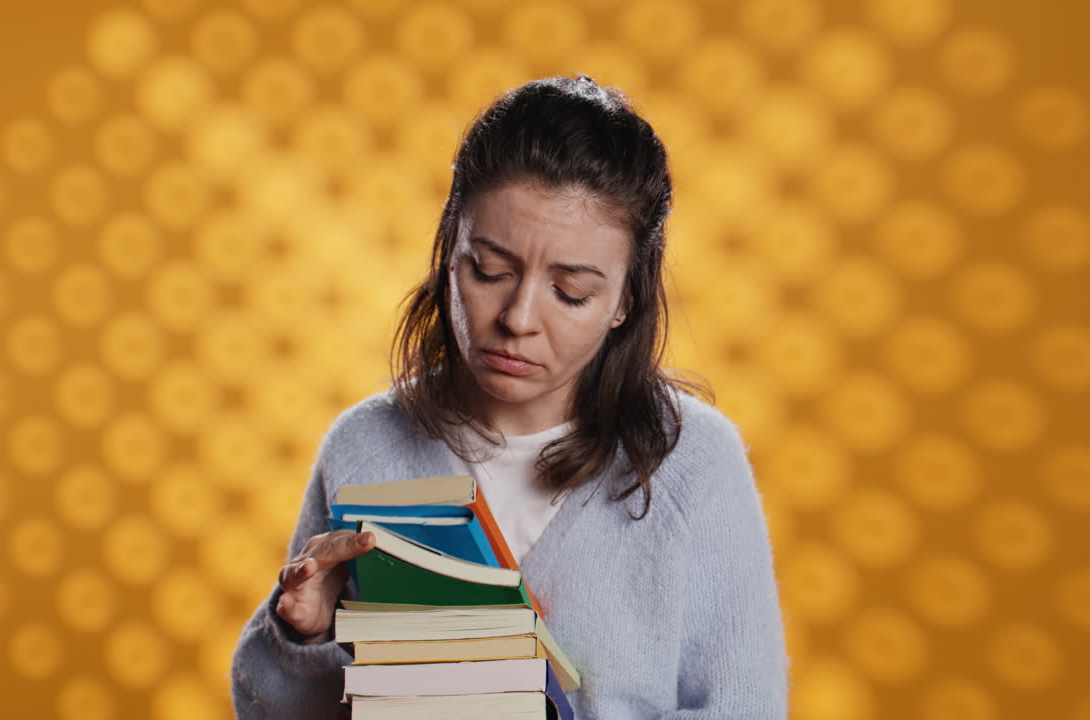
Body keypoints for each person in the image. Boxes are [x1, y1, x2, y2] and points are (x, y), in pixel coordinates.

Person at [230, 74, 789, 719]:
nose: (519, 318)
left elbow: (744, 709)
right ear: (448, 252)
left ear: (623, 303)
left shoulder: (692, 461)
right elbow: (278, 711)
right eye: (489, 271)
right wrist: (301, 635)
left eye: (571, 292)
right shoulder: (365, 448)